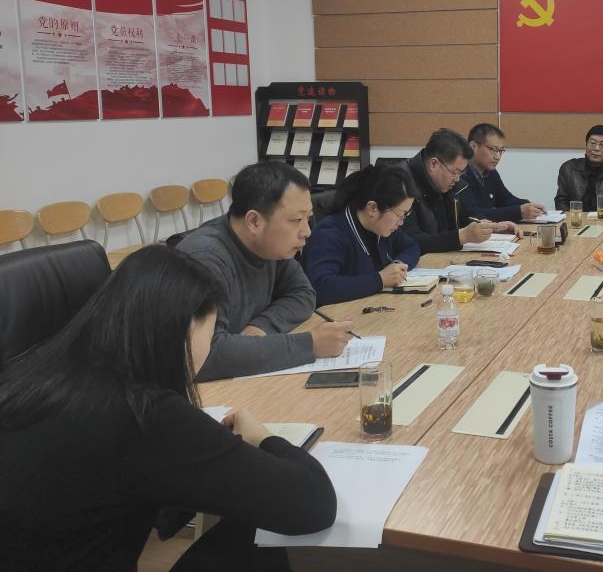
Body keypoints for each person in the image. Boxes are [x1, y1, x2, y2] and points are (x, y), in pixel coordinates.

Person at [0, 246, 337, 571]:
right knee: (251, 535)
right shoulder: (144, 415)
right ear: (186, 328)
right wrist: (263, 438)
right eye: (211, 333)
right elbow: (312, 504)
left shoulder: (31, 375)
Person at [177, 161, 353, 381]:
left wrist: (261, 327)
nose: (307, 231)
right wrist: (310, 345)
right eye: (296, 220)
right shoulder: (204, 258)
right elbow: (202, 356)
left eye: (308, 218)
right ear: (254, 221)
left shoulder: (270, 246)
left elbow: (303, 294)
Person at [304, 165, 421, 306]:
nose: (401, 222)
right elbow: (320, 287)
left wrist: (398, 266)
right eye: (400, 215)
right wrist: (380, 279)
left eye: (405, 215)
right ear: (372, 208)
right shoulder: (329, 234)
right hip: (340, 315)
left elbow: (411, 247)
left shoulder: (381, 227)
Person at [401, 128, 519, 254]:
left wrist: (493, 227)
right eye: (455, 172)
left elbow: (468, 214)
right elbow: (410, 240)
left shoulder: (449, 183)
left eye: (461, 173)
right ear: (434, 164)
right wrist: (461, 236)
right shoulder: (400, 183)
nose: (457, 179)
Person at [460, 123, 546, 222]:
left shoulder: (491, 173)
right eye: (493, 149)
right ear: (473, 146)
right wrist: (519, 211)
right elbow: (473, 214)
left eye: (501, 151)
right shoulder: (460, 174)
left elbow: (505, 200)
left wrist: (528, 205)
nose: (497, 156)